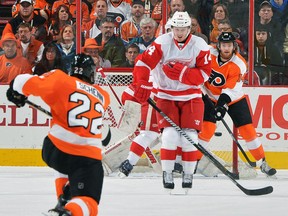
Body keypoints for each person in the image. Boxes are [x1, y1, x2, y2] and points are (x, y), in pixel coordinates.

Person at [6, 53, 110, 215]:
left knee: (66, 156)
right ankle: (64, 211)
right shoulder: (103, 96)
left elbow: (21, 81)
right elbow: (98, 130)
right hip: (86, 158)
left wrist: (16, 92)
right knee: (89, 202)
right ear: (91, 72)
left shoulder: (60, 79)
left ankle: (64, 199)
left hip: (53, 150)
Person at [132, 11, 211, 190]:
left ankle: (188, 174)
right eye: (177, 28)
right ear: (171, 27)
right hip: (166, 96)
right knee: (169, 135)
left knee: (190, 136)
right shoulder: (162, 42)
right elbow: (143, 63)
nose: (180, 32)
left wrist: (184, 74)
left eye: (184, 29)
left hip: (191, 96)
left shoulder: (200, 45)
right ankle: (167, 173)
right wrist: (142, 82)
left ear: (190, 28)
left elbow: (205, 73)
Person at [199, 32, 276, 176]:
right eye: (223, 45)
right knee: (207, 129)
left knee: (248, 131)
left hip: (234, 99)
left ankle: (263, 162)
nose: (226, 48)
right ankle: (194, 161)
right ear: (219, 46)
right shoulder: (208, 52)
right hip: (208, 96)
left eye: (229, 45)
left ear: (234, 46)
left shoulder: (239, 64)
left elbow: (231, 89)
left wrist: (222, 105)